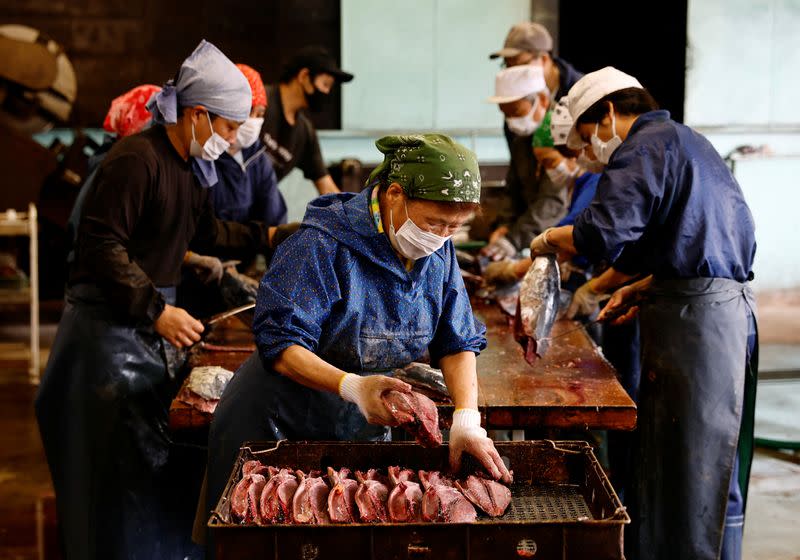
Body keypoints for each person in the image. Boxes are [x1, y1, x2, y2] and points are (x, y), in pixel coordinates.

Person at [34, 40, 288, 560]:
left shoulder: (187, 166)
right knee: (113, 480)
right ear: (197, 114)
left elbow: (206, 231)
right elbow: (102, 247)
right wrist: (158, 310)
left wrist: (271, 236)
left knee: (147, 474)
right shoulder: (135, 159)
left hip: (140, 332)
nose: (233, 139)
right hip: (104, 342)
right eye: (228, 127)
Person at [208, 133, 513, 516]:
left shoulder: (436, 249)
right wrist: (352, 386)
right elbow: (282, 345)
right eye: (434, 222)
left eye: (454, 228)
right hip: (277, 419)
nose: (441, 238)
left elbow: (456, 340)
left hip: (358, 414)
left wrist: (468, 420)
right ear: (395, 194)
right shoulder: (322, 243)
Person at [529, 67, 758, 560]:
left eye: (588, 136)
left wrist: (547, 240)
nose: (589, 152)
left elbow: (604, 234)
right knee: (692, 467)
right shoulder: (683, 141)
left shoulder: (644, 143)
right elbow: (673, 242)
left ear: (608, 113)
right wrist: (635, 286)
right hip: (707, 311)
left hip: (700, 327)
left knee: (696, 469)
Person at [481, 65, 567, 261]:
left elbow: (553, 202)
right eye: (505, 113)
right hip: (530, 235)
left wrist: (513, 239)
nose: (511, 120)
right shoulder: (521, 140)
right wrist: (505, 225)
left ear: (542, 100)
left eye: (516, 110)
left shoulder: (563, 137)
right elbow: (513, 189)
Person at [260, 45, 353, 195]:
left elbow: (327, 187)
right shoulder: (260, 101)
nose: (327, 92)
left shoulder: (304, 132)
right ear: (304, 76)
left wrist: (353, 213)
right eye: (325, 84)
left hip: (257, 215)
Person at [212, 63, 286, 227]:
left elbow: (275, 220)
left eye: (259, 114)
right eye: (248, 111)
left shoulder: (258, 158)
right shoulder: (206, 155)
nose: (252, 120)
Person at [489, 21, 583, 149]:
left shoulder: (582, 93)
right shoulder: (515, 102)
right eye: (508, 65)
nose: (511, 73)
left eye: (519, 65)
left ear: (544, 59)